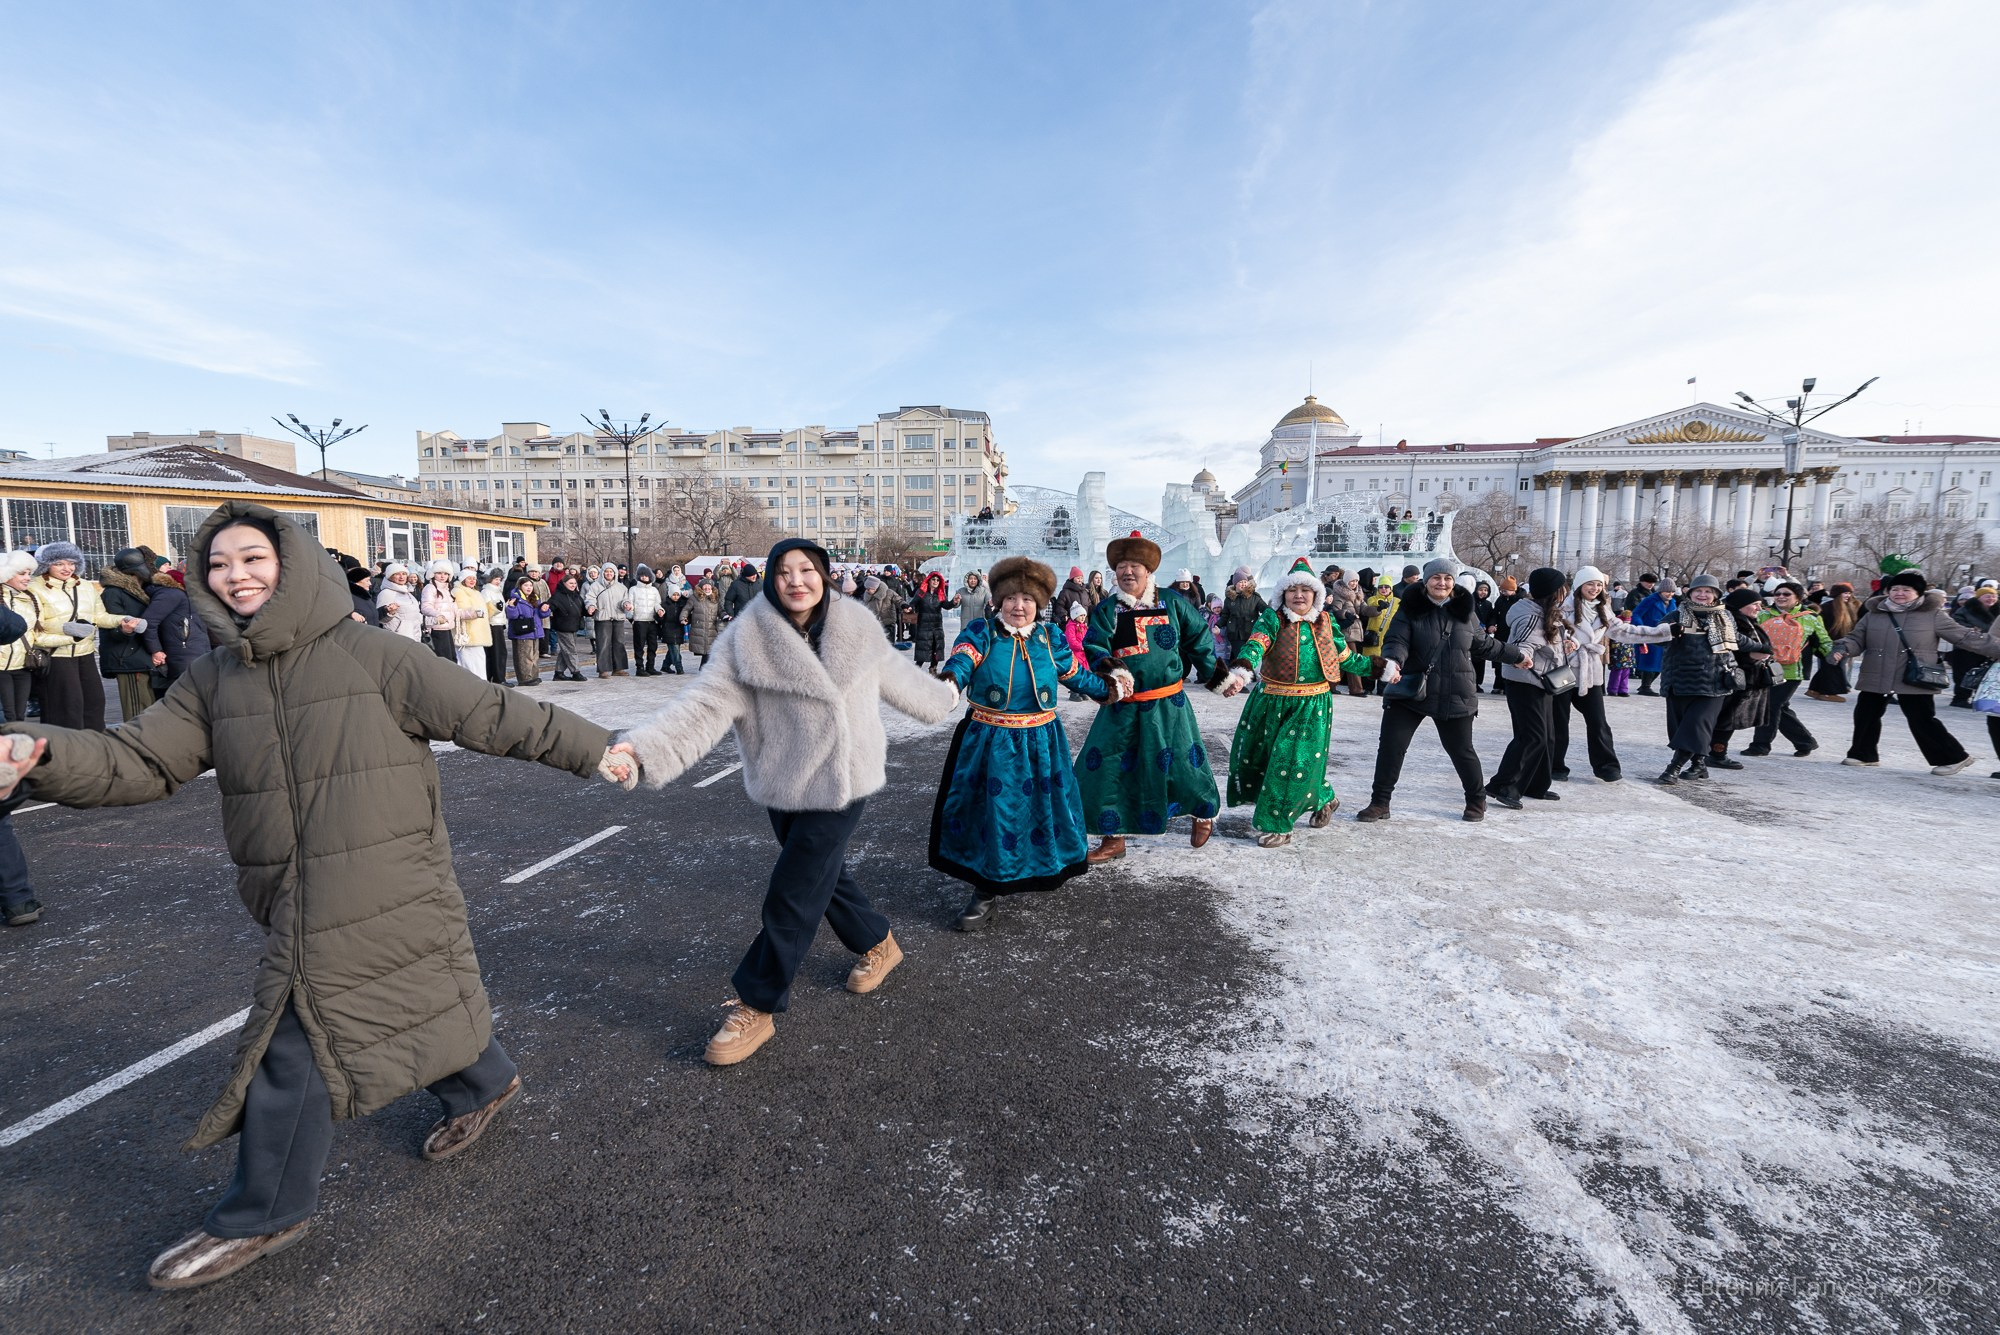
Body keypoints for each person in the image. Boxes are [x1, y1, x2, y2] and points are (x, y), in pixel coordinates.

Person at [0, 503, 633, 1289]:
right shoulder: (213, 679)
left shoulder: (371, 653)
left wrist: (602, 749)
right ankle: (481, 1078)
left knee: (295, 1040)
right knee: (403, 996)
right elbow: (141, 759)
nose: (235, 575)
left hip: (383, 876)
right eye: (219, 563)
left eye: (252, 558)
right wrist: (40, 752)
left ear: (291, 564)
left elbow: (494, 713)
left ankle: (263, 1211)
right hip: (286, 884)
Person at [612, 538, 958, 1066]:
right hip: (783, 782)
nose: (796, 581)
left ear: (824, 575)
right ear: (770, 579)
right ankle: (877, 942)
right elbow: (702, 705)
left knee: (792, 891)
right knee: (823, 876)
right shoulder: (745, 639)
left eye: (807, 570)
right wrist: (643, 750)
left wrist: (945, 696)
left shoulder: (857, 625)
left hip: (844, 780)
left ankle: (757, 1003)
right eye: (784, 572)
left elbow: (899, 676)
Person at [932, 557, 1115, 929]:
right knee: (992, 815)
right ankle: (985, 890)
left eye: (1027, 599)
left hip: (1042, 742)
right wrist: (949, 684)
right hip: (990, 742)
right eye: (1011, 598)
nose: (1019, 606)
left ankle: (1041, 869)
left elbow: (1075, 674)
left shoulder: (1050, 637)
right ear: (999, 600)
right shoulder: (982, 633)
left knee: (1042, 812)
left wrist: (1111, 689)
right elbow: (962, 661)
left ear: (1039, 603)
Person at [1075, 531, 1235, 864]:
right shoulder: (1107, 609)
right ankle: (1113, 837)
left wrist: (1218, 678)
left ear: (1148, 570)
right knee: (1107, 767)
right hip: (1123, 705)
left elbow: (1199, 639)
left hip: (1168, 704)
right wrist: (1114, 672)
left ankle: (1203, 812)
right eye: (1121, 566)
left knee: (1185, 762)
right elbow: (1095, 645)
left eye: (1135, 565)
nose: (1127, 572)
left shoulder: (1173, 603)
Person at [1359, 559, 1530, 822]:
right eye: (1436, 578)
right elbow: (1396, 640)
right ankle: (1380, 802)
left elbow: (1483, 644)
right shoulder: (1409, 608)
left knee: (1462, 750)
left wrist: (1515, 655)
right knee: (1391, 747)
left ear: (1453, 581)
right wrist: (1393, 662)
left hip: (1455, 690)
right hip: (1412, 688)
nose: (1442, 583)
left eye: (1447, 578)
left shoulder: (1465, 611)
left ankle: (1476, 800)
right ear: (1426, 581)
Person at [1223, 558, 1350, 847]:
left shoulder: (1326, 622)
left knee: (1290, 762)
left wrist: (1382, 668)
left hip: (1311, 705)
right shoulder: (1272, 618)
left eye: (1306, 590)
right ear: (1283, 593)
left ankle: (1278, 824)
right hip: (1270, 701)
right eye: (1293, 590)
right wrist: (1242, 671)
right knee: (1267, 759)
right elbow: (1256, 643)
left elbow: (1345, 657)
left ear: (1316, 594)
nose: (1299, 595)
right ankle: (1325, 797)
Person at [1829, 569, 2000, 775]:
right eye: (1895, 589)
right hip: (1877, 671)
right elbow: (1857, 638)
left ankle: (1954, 758)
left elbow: (1964, 636)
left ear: (1918, 593)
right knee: (1866, 714)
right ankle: (1863, 754)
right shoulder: (1875, 613)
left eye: (1906, 589)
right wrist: (1843, 648)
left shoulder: (1933, 615)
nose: (1899, 593)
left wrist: (1996, 648)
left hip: (1914, 675)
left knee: (1921, 719)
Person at [1552, 565, 1673, 784]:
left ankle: (1606, 767)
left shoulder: (1603, 609)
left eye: (1599, 584)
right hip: (1564, 669)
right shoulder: (1562, 608)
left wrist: (1663, 632)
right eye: (1590, 584)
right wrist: (1566, 643)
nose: (1595, 588)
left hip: (1591, 673)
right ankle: (1554, 765)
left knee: (1598, 722)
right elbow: (1549, 634)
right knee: (1558, 721)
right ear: (1579, 585)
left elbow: (1626, 631)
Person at [1483, 568, 1574, 809]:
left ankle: (1536, 784)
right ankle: (1502, 785)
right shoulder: (1531, 616)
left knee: (1547, 736)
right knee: (1531, 736)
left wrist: (1562, 645)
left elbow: (1543, 643)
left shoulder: (1546, 613)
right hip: (1524, 682)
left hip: (1541, 681)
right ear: (1553, 592)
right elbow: (1521, 644)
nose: (1565, 593)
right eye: (1562, 588)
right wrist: (1521, 657)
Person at [27, 541, 141, 731]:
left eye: (71, 563)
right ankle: (64, 745)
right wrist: (69, 632)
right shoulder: (34, 588)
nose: (67, 568)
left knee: (94, 703)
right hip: (56, 656)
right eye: (59, 563)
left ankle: (93, 743)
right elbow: (35, 628)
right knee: (67, 708)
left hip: (85, 654)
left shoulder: (85, 586)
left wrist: (123, 620)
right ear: (46, 564)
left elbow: (99, 616)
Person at [1654, 575, 1741, 785]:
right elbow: (1657, 639)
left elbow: (1736, 640)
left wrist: (1762, 648)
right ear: (1690, 593)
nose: (1703, 595)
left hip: (1714, 682)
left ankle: (1673, 768)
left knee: (1696, 725)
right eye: (1698, 591)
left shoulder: (1725, 616)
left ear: (1716, 595)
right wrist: (1669, 632)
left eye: (1708, 591)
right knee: (1681, 728)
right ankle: (1699, 764)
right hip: (1679, 680)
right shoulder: (1676, 615)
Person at [1747, 581, 1829, 757]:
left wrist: (1833, 655)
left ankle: (1760, 745)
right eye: (1778, 594)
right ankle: (1805, 742)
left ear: (1798, 597)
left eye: (1786, 594)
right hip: (1764, 667)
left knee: (1771, 705)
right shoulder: (1762, 615)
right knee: (1779, 707)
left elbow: (1823, 641)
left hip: (1792, 670)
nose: (1781, 597)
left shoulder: (1810, 617)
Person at [98, 547, 162, 721]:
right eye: (149, 565)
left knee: (148, 710)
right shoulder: (113, 593)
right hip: (128, 660)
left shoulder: (141, 590)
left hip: (141, 658)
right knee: (137, 712)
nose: (153, 569)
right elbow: (110, 627)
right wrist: (125, 631)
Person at [140, 555, 212, 689]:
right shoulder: (172, 593)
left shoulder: (187, 592)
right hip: (183, 655)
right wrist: (156, 650)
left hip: (196, 652)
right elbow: (149, 622)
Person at [0, 553, 40, 723]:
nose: (28, 578)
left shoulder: (29, 598)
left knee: (19, 715)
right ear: (6, 574)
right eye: (22, 573)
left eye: (29, 574)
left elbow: (36, 633)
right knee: (7, 716)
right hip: (1, 668)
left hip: (24, 665)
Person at [1948, 578, 1998, 707]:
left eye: (1994, 596)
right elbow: (1958, 625)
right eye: (1987, 596)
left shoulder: (1997, 611)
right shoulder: (1966, 610)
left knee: (1985, 674)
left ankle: (1979, 697)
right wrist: (1976, 632)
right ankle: (1960, 698)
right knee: (1964, 673)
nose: (1991, 599)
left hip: (1990, 648)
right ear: (1979, 597)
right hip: (1968, 648)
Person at [1807, 584, 1862, 700]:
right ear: (1837, 594)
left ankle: (1814, 689)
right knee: (1833, 666)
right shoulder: (1827, 608)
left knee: (1829, 666)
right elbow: (1820, 627)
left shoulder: (1851, 607)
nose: (1848, 596)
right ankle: (1828, 692)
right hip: (1829, 642)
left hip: (1842, 642)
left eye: (1849, 593)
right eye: (1845, 593)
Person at [1630, 577, 1677, 695]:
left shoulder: (1673, 602)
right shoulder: (1650, 600)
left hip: (1665, 635)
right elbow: (1636, 614)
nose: (1670, 594)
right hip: (1650, 633)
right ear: (1661, 591)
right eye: (1667, 591)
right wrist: (1641, 627)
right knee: (1650, 661)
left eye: (1672, 592)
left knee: (1661, 663)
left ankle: (1645, 685)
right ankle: (1645, 686)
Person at [908, 572, 956, 674]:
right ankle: (916, 670)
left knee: (936, 648)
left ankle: (933, 668)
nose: (935, 582)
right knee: (923, 649)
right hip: (924, 625)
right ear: (929, 580)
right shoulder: (921, 592)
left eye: (938, 580)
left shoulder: (941, 593)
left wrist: (953, 602)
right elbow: (913, 603)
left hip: (936, 626)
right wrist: (910, 608)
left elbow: (946, 605)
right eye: (933, 579)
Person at [588, 566, 631, 677]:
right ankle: (603, 669)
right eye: (606, 571)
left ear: (615, 573)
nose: (609, 573)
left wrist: (626, 604)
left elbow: (625, 599)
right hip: (603, 617)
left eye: (611, 571)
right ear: (602, 573)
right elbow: (590, 598)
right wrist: (591, 606)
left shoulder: (621, 587)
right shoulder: (595, 586)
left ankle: (619, 668)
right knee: (603, 644)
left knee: (619, 643)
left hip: (618, 617)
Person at [547, 574, 589, 681]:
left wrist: (590, 611)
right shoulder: (558, 595)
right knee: (570, 650)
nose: (573, 585)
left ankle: (559, 672)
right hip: (563, 626)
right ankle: (576, 672)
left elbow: (583, 609)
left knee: (565, 650)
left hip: (574, 626)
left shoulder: (576, 595)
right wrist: (546, 606)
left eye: (574, 583)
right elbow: (551, 604)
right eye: (570, 583)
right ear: (564, 583)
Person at [451, 567, 492, 676]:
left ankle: (481, 682)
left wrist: (494, 608)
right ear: (463, 579)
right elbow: (460, 611)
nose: (472, 581)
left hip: (478, 634)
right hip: (467, 634)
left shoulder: (476, 593)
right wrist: (475, 613)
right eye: (469, 578)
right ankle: (473, 683)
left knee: (479, 661)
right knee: (468, 663)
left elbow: (483, 613)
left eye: (474, 578)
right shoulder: (458, 592)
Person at [503, 583, 545, 686]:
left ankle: (534, 676)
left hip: (535, 631)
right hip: (522, 632)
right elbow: (512, 616)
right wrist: (511, 607)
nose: (529, 588)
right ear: (520, 587)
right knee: (524, 656)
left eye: (530, 585)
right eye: (526, 585)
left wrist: (545, 610)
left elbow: (541, 614)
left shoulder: (535, 598)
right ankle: (524, 678)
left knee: (534, 656)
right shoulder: (515, 599)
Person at [1221, 567, 1267, 662]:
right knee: (1241, 657)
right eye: (1240, 582)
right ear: (1235, 584)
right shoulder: (1229, 599)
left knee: (1247, 657)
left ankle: (1235, 669)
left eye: (1245, 582)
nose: (1243, 584)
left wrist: (1272, 615)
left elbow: (1265, 609)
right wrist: (1218, 625)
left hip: (1250, 633)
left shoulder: (1255, 598)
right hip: (1235, 634)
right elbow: (1225, 615)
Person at [419, 561, 460, 661]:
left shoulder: (446, 589)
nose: (442, 576)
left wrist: (471, 613)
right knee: (444, 659)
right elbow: (425, 607)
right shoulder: (430, 588)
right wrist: (438, 615)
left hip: (447, 628)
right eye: (439, 573)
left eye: (445, 574)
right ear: (433, 574)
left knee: (452, 658)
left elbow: (454, 610)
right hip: (436, 628)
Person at [628, 565, 664, 675]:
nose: (644, 577)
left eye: (646, 575)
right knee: (639, 646)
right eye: (642, 575)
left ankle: (650, 666)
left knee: (653, 645)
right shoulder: (633, 589)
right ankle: (639, 668)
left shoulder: (654, 590)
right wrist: (631, 615)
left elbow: (657, 603)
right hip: (639, 621)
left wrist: (660, 610)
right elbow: (630, 603)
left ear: (650, 577)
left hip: (652, 621)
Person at [375, 563, 424, 641]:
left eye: (404, 574)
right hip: (398, 638)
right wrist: (389, 612)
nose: (401, 577)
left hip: (415, 636)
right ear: (390, 576)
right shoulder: (386, 593)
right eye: (397, 574)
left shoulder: (407, 591)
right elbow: (381, 619)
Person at [1471, 579, 1500, 693]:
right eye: (1481, 590)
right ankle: (1470, 682)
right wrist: (1478, 626)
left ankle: (1478, 682)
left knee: (1480, 660)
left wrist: (1491, 625)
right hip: (1472, 635)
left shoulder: (1487, 604)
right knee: (1471, 660)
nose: (1483, 592)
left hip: (1483, 636)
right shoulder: (1471, 602)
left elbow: (1491, 616)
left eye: (1486, 590)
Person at [480, 569, 508, 684]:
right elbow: (487, 609)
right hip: (492, 624)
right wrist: (497, 608)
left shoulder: (498, 591)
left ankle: (498, 677)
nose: (498, 581)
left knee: (499, 652)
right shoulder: (486, 591)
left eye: (499, 579)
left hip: (499, 623)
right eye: (496, 579)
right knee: (497, 652)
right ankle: (498, 678)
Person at [686, 577, 721, 669]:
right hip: (699, 626)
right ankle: (704, 667)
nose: (707, 588)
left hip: (712, 627)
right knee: (706, 650)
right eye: (705, 586)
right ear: (701, 587)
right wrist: (683, 618)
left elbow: (720, 610)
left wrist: (724, 615)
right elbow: (687, 609)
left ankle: (704, 667)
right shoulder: (694, 598)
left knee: (710, 649)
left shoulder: (716, 598)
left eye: (709, 586)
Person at [659, 572, 690, 675]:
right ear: (670, 594)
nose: (676, 597)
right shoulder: (665, 605)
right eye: (674, 595)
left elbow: (687, 614)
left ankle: (665, 665)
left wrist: (687, 620)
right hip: (668, 630)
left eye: (677, 595)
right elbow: (660, 619)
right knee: (675, 650)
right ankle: (679, 668)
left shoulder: (682, 604)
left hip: (679, 630)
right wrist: (660, 616)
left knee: (672, 650)